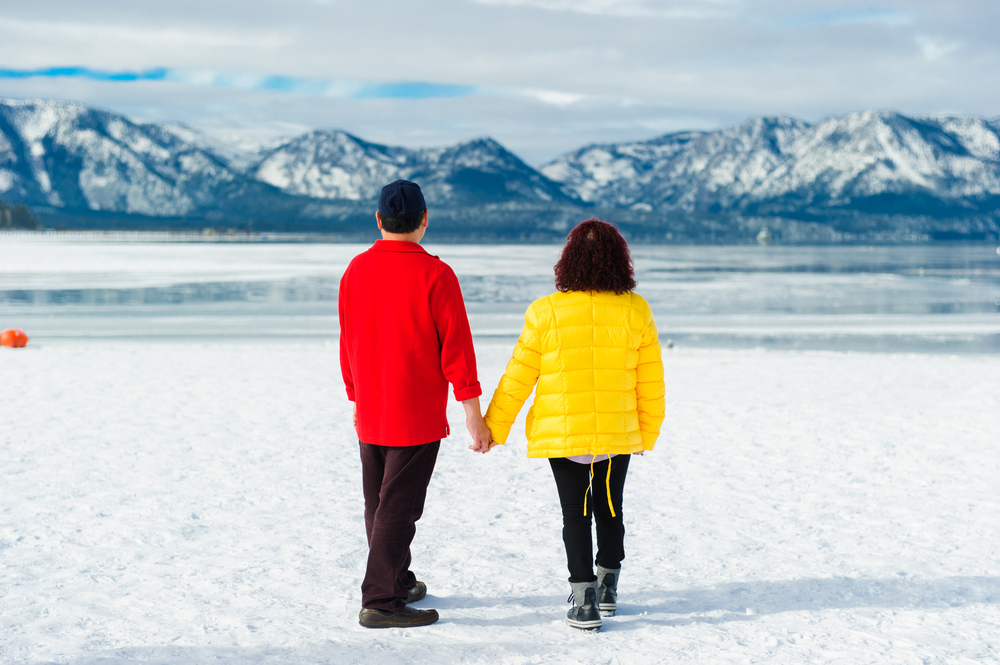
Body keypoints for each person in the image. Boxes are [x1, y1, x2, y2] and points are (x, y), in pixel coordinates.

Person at [483, 218, 665, 631]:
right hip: (617, 434)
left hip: (563, 432)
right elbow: (650, 381)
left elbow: (518, 377)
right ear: (621, 261)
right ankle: (608, 588)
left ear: (567, 263)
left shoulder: (544, 312)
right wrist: (646, 434)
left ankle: (584, 601)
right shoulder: (636, 310)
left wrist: (494, 428)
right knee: (610, 507)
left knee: (575, 514)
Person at [339, 179, 494, 629]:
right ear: (424, 220)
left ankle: (397, 579)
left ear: (379, 220)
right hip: (416, 412)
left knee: (380, 502)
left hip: (372, 405)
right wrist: (473, 415)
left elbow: (348, 340)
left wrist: (355, 394)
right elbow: (457, 349)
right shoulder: (435, 274)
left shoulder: (356, 270)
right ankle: (382, 600)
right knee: (398, 507)